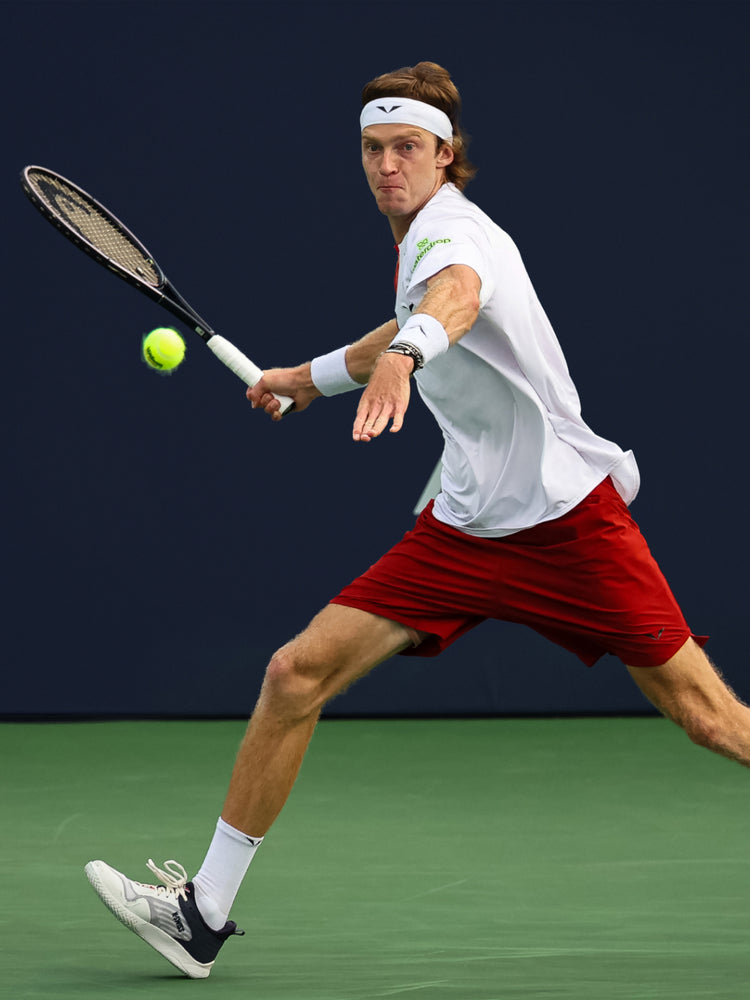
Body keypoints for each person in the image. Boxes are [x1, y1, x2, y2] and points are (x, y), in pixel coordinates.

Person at [85, 61, 750, 979]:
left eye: (408, 148)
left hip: (565, 521)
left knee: (709, 717)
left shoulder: (457, 235)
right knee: (295, 673)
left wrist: (407, 351)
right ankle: (203, 913)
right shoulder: (415, 242)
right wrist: (305, 380)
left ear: (446, 156)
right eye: (373, 148)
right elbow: (398, 323)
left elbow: (454, 300)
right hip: (467, 523)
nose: (388, 165)